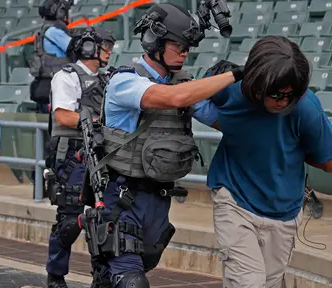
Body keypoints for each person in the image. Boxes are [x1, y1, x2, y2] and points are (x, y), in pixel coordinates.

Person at [90, 3, 243, 288]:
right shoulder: (125, 81)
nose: (185, 53)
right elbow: (171, 98)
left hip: (158, 201)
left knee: (122, 277)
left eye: (188, 48)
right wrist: (231, 76)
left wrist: (242, 93)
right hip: (123, 197)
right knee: (131, 281)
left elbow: (223, 121)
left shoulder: (184, 84)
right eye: (179, 46)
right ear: (155, 41)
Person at [199, 35, 332, 288]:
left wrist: (293, 150)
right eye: (276, 95)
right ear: (256, 85)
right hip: (234, 198)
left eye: (289, 95)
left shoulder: (305, 107)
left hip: (284, 210)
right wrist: (226, 124)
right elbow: (191, 99)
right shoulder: (230, 91)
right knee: (248, 282)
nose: (283, 102)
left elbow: (329, 161)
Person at [45, 26, 116, 288]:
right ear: (88, 48)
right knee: (68, 218)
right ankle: (56, 275)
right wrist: (101, 123)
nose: (109, 51)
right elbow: (63, 115)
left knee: (106, 215)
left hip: (102, 152)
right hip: (73, 153)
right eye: (104, 46)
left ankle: (102, 275)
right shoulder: (67, 77)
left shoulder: (109, 78)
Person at [29, 0, 73, 114]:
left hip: (49, 83)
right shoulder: (54, 31)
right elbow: (74, 48)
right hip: (54, 84)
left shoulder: (46, 29)